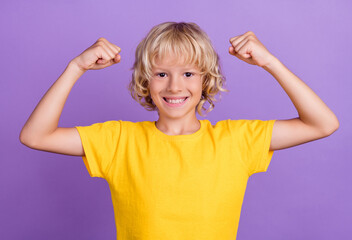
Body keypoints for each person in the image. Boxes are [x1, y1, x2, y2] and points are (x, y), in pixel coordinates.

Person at [20, 22, 339, 240]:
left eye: (188, 73)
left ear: (206, 80)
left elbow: (323, 123)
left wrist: (270, 62)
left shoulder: (237, 140)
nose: (175, 85)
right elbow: (35, 136)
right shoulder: (119, 140)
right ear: (145, 81)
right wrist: (76, 67)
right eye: (161, 73)